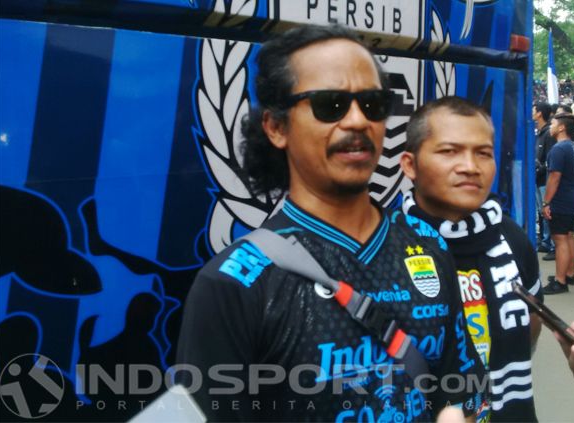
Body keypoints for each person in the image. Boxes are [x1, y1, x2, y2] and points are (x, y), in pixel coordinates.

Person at [175, 25, 483, 422]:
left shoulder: (428, 245)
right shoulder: (235, 284)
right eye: (330, 104)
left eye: (372, 103)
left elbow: (461, 388)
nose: (357, 121)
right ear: (276, 127)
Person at [399, 96, 543, 421]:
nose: (470, 166)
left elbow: (532, 325)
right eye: (450, 151)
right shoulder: (388, 246)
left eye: (483, 153)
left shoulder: (514, 239)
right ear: (410, 165)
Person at [541, 113, 574, 295]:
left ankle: (560, 281)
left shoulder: (558, 149)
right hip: (572, 196)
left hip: (562, 198)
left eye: (553, 123)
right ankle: (570, 273)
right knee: (568, 235)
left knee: (560, 239)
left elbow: (554, 177)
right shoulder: (570, 147)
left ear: (561, 128)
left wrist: (546, 201)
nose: (550, 126)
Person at [534, 102, 556, 258]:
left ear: (539, 113)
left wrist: (539, 168)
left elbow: (550, 159)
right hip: (538, 179)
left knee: (547, 212)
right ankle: (545, 241)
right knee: (541, 212)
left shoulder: (548, 134)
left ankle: (552, 244)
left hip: (544, 180)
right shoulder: (539, 132)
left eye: (533, 110)